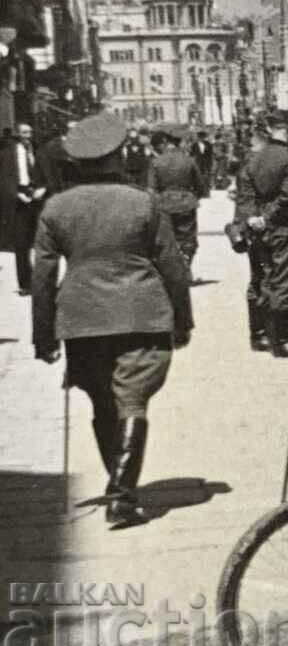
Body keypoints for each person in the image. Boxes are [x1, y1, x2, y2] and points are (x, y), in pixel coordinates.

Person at [31, 112, 193, 526]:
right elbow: (172, 264)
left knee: (104, 404)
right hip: (142, 312)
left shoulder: (56, 208)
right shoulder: (142, 202)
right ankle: (122, 495)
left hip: (83, 318)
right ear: (119, 156)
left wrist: (43, 336)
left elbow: (44, 278)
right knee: (133, 400)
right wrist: (183, 319)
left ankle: (120, 485)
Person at [244, 111, 288, 358]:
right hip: (280, 227)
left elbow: (246, 193)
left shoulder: (255, 158)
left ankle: (258, 335)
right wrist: (268, 218)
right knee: (282, 281)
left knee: (258, 278)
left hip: (256, 227)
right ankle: (281, 339)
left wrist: (255, 218)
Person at [147, 130, 205, 277]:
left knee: (166, 239)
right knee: (187, 237)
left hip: (164, 204)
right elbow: (200, 184)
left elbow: (151, 188)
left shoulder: (156, 162)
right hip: (186, 202)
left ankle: (171, 271)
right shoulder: (189, 160)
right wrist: (194, 197)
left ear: (165, 143)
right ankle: (186, 264)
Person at [233, 126, 271, 352]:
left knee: (262, 278)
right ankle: (260, 332)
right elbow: (244, 202)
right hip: (258, 230)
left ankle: (263, 331)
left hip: (260, 227)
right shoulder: (249, 169)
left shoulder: (249, 166)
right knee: (261, 279)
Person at [0, 123, 47, 295]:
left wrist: (43, 189)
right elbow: (4, 180)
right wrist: (17, 194)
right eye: (25, 133)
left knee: (43, 242)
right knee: (21, 244)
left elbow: (46, 174)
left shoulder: (39, 151)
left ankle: (43, 282)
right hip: (20, 199)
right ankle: (26, 283)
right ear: (17, 134)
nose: (28, 136)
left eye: (30, 132)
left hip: (37, 198)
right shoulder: (7, 155)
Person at [190, 129, 214, 197]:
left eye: (203, 136)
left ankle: (206, 193)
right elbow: (192, 154)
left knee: (207, 178)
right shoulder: (194, 145)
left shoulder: (208, 144)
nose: (201, 138)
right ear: (198, 137)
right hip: (197, 163)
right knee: (198, 177)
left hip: (206, 163)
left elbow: (211, 155)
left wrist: (210, 164)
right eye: (200, 136)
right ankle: (199, 193)